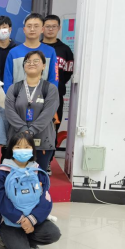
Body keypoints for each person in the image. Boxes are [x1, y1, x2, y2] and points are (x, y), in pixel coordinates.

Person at [0, 131, 61, 249]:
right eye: (18, 147)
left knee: (53, 233)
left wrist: (32, 220)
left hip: (33, 219)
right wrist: (21, 219)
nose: (22, 150)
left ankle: (27, 239)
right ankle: (7, 239)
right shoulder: (2, 172)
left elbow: (45, 199)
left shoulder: (37, 170)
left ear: (32, 149)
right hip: (10, 221)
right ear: (11, 149)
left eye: (27, 147)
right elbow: (0, 201)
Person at [5, 50, 59, 172]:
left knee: (39, 177)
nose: (31, 63)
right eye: (28, 61)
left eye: (36, 61)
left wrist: (31, 131)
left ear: (44, 66)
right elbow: (9, 111)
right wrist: (24, 130)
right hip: (17, 141)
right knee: (15, 177)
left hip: (42, 141)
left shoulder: (50, 89)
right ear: (24, 66)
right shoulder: (14, 88)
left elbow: (48, 113)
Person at [42, 14, 74, 171]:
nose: (50, 29)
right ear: (43, 28)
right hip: (35, 94)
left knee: (52, 128)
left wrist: (58, 85)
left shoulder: (65, 50)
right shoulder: (37, 47)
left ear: (59, 28)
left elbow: (67, 73)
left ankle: (48, 160)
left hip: (55, 96)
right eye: (47, 26)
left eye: (53, 26)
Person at [3, 13, 59, 93]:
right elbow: (7, 81)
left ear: (42, 29)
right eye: (29, 26)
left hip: (42, 98)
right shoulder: (14, 52)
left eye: (36, 26)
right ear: (24, 29)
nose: (32, 29)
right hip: (17, 98)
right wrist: (10, 98)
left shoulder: (50, 51)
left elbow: (54, 79)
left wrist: (49, 98)